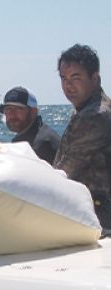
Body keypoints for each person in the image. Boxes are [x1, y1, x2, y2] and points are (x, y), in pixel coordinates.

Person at [53, 44, 111, 227]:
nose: (68, 85)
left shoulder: (95, 115)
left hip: (99, 217)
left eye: (75, 77)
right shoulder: (85, 111)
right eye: (63, 78)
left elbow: (63, 172)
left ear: (95, 78)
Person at [0, 86, 61, 165]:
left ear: (34, 112)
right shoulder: (26, 138)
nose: (12, 114)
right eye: (8, 109)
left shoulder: (42, 144)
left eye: (18, 109)